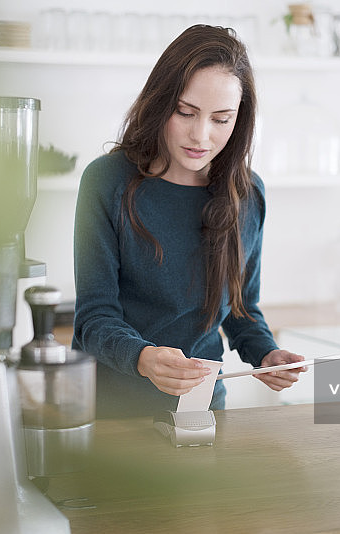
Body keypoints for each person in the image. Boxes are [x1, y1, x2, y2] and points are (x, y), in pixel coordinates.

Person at [72, 25, 307, 419]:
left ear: (240, 121)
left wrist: (265, 353)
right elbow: (93, 318)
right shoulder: (107, 181)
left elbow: (240, 308)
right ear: (160, 103)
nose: (201, 135)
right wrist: (143, 357)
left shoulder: (247, 194)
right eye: (185, 112)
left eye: (221, 119)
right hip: (110, 415)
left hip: (201, 411)